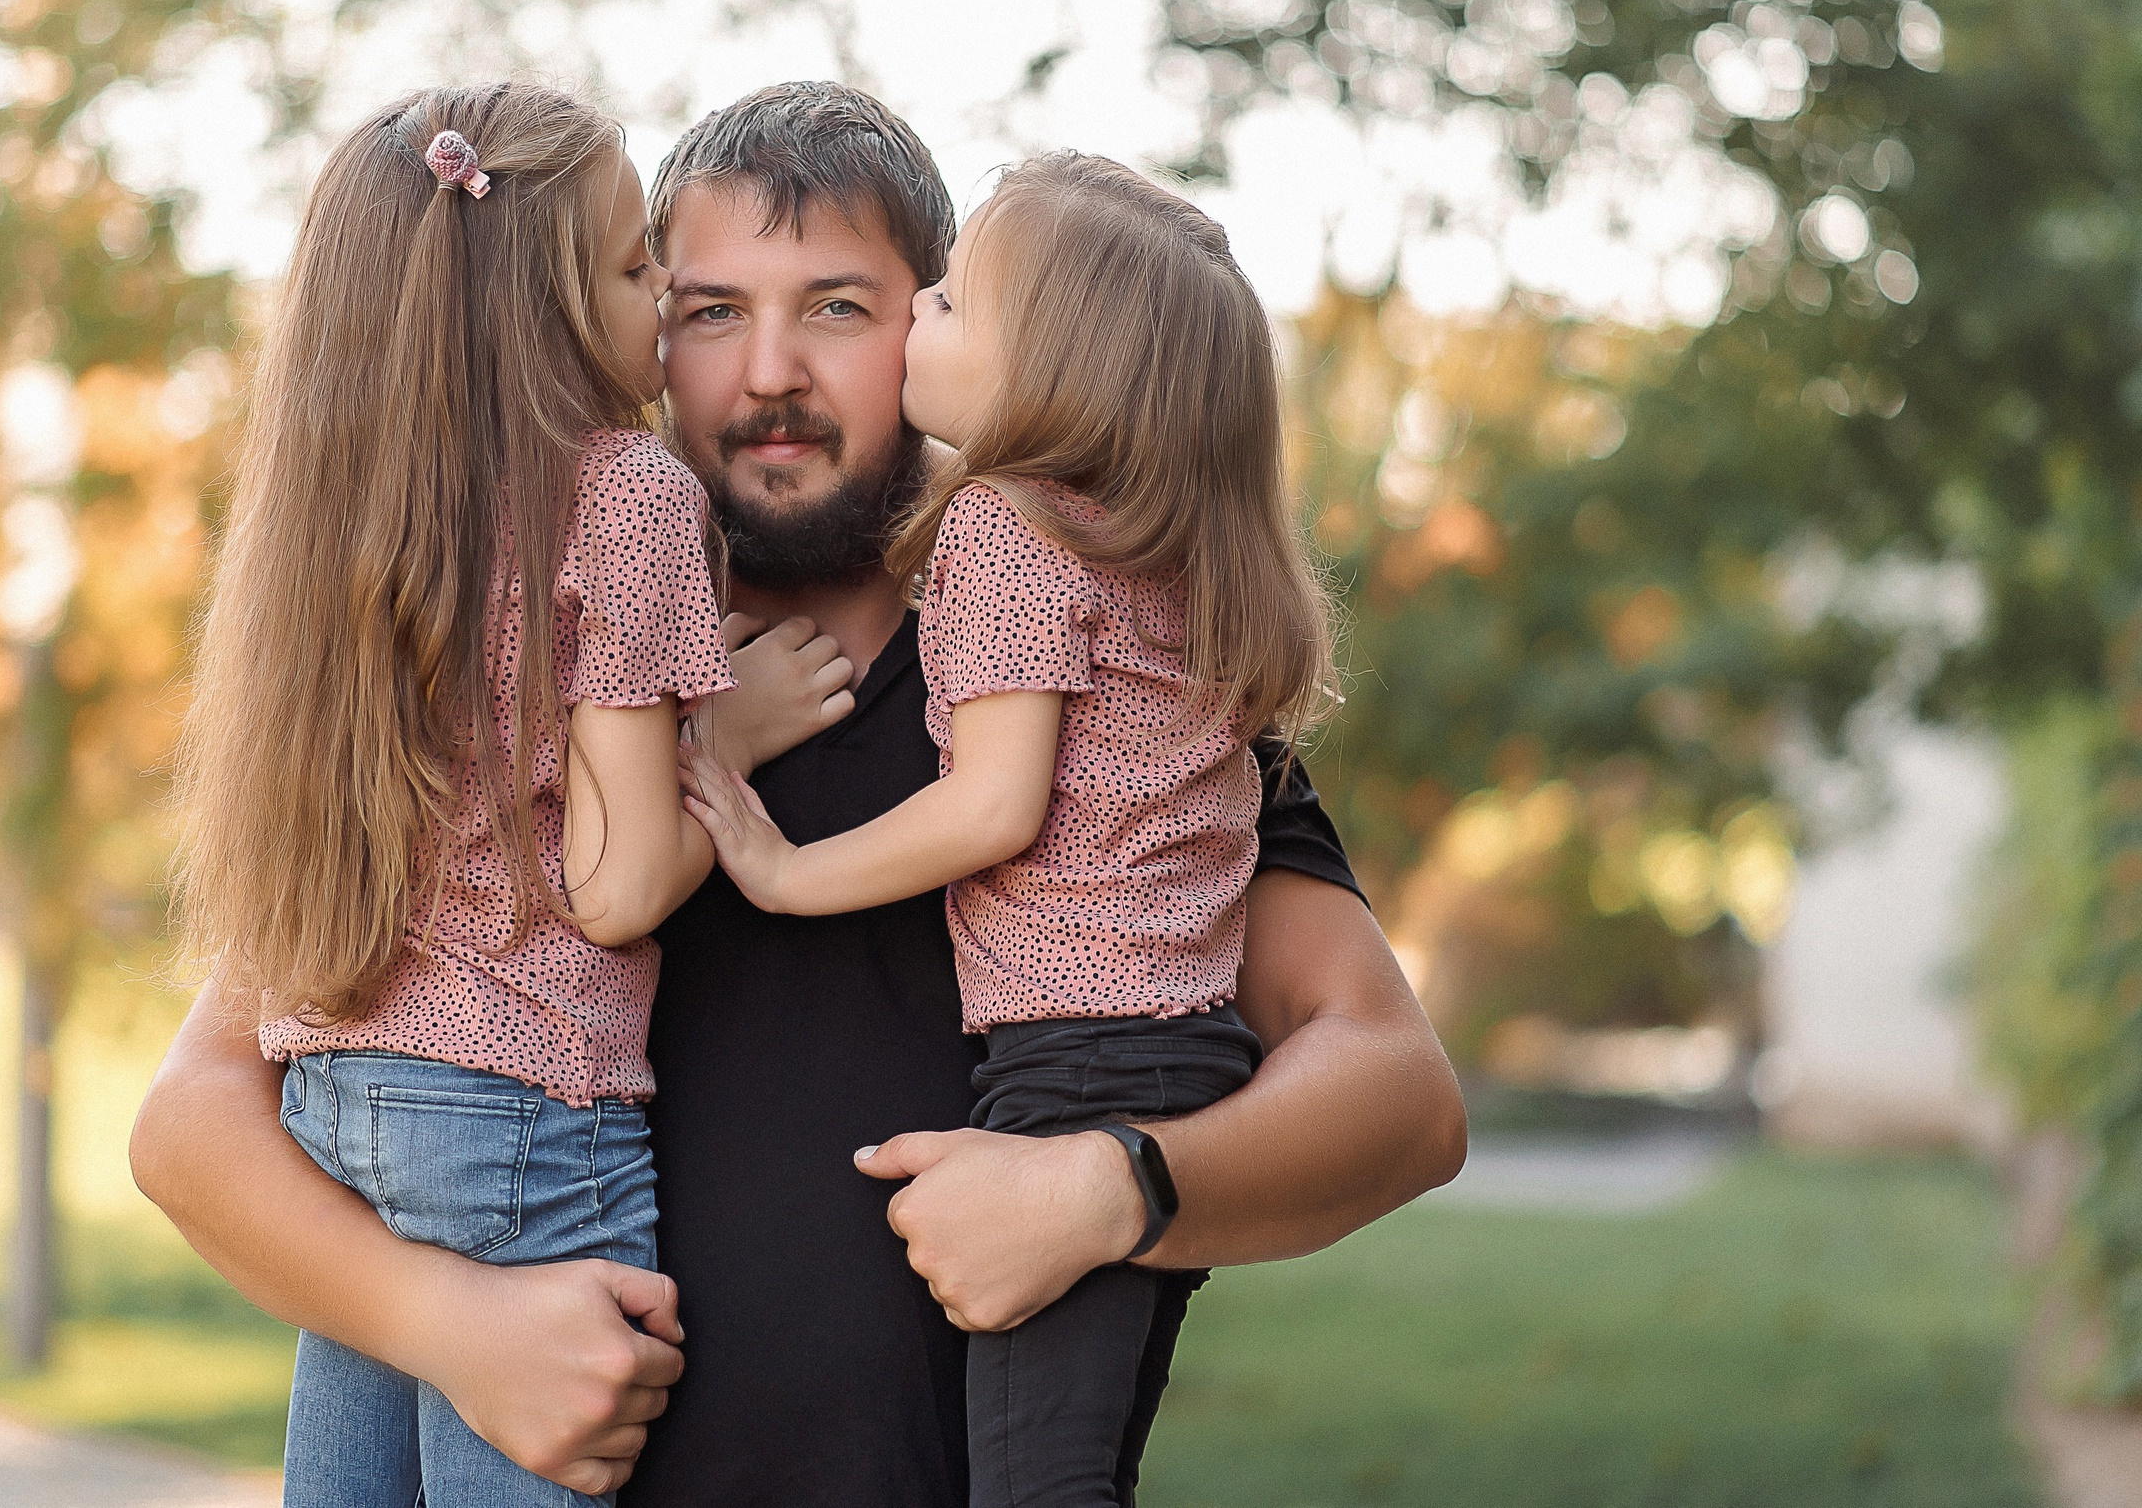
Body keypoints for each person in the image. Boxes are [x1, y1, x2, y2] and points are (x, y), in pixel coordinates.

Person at [130, 81, 1468, 1508]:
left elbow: (1398, 1096)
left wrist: (1114, 1185)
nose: (769, 372)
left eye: (838, 307)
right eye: (707, 310)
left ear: (947, 323)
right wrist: (452, 1330)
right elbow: (196, 1120)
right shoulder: (513, 680)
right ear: (643, 329)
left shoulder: (1123, 675)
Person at [683, 149, 1333, 1508]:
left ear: (1055, 367)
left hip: (1075, 1067)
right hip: (1169, 1042)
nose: (775, 369)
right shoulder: (1161, 587)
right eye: (710, 308)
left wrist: (785, 871)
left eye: (897, 303)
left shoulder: (999, 534)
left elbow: (992, 803)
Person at [166, 81, 734, 1506]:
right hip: (529, 1109)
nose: (662, 289)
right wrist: (736, 750)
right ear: (537, 310)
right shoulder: (631, 494)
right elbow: (612, 884)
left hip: (341, 1101)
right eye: (628, 264)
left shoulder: (358, 517)